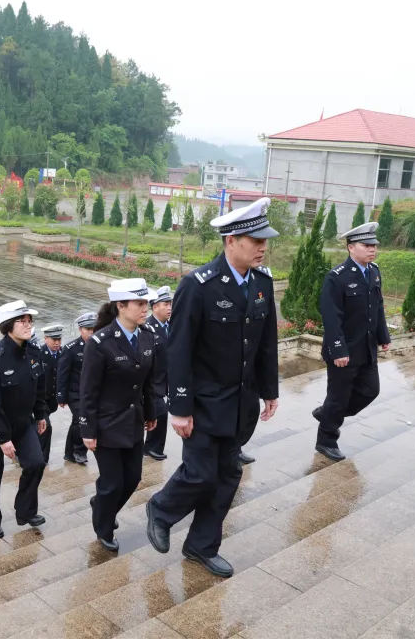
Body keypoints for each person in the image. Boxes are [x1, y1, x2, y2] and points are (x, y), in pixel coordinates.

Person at [145, 197, 280, 578]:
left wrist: (270, 390)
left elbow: (266, 342)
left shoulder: (262, 284)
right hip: (204, 403)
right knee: (200, 473)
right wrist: (179, 407)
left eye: (264, 240)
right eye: (255, 240)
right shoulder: (198, 285)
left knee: (226, 477)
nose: (262, 246)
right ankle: (162, 507)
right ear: (231, 241)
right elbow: (179, 349)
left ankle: (201, 546)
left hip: (241, 403)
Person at [80, 279, 158, 551]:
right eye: (139, 304)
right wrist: (87, 430)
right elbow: (88, 390)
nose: (144, 308)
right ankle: (103, 526)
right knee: (112, 483)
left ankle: (101, 504)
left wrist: (151, 411)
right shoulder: (100, 342)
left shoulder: (147, 336)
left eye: (146, 303)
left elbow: (148, 381)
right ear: (120, 306)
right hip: (106, 424)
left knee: (133, 478)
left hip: (134, 421)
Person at [314, 222, 391, 461]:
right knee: (338, 397)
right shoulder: (337, 277)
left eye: (374, 245)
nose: (372, 250)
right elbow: (331, 316)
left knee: (370, 390)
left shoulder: (374, 271)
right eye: (366, 245)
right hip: (343, 350)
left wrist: (383, 335)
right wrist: (338, 349)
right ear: (350, 248)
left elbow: (377, 307)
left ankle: (327, 413)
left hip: (366, 347)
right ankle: (326, 440)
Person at [0, 300, 48, 539]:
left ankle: (25, 510)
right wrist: (3, 438)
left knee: (36, 462)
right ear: (9, 326)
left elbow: (38, 386)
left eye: (30, 321)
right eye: (22, 321)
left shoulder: (33, 351)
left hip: (23, 421)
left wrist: (40, 414)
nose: (28, 325)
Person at [56, 313, 95, 465]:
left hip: (91, 393)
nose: (91, 332)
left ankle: (69, 453)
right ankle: (79, 451)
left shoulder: (99, 346)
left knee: (76, 422)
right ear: (80, 329)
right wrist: (61, 396)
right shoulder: (71, 349)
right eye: (88, 329)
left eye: (93, 329)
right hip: (75, 393)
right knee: (82, 420)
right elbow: (62, 373)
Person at [142, 286, 172, 461]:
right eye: (165, 304)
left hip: (166, 379)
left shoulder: (171, 325)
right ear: (155, 307)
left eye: (170, 304)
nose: (169, 308)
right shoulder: (147, 328)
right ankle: (151, 447)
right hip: (152, 381)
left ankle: (152, 446)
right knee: (159, 412)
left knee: (159, 412)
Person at [37, 325, 64, 463]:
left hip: (52, 400)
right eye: (54, 339)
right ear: (46, 338)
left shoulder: (63, 353)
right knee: (46, 426)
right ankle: (42, 459)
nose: (57, 342)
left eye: (59, 339)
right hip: (39, 400)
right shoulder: (38, 354)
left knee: (39, 427)